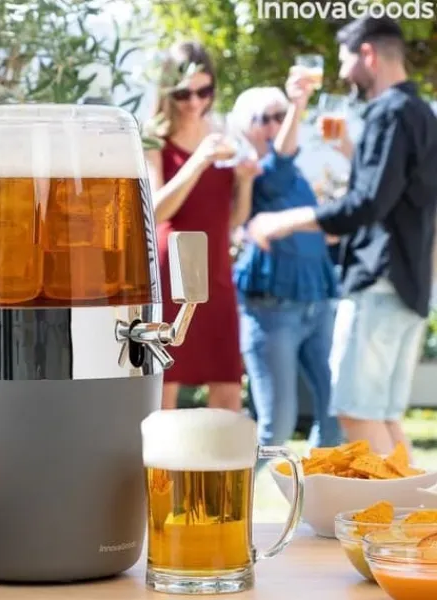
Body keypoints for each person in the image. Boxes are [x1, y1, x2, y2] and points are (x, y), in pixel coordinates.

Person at [246, 17, 437, 455]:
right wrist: (352, 152)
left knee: (355, 413)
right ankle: (413, 501)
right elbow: (395, 199)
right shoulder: (422, 113)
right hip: (408, 285)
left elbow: (366, 204)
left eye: (346, 60)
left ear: (368, 54)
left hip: (379, 282)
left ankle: (391, 503)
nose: (344, 73)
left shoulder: (390, 112)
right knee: (382, 416)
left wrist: (285, 220)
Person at [145, 41, 259, 411]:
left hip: (216, 271)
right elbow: (155, 210)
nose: (194, 102)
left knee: (228, 384)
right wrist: (199, 160)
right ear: (168, 91)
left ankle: (220, 453)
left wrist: (246, 182)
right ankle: (159, 453)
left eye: (204, 91)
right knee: (164, 382)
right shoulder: (155, 138)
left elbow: (234, 219)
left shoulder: (224, 133)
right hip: (171, 270)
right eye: (184, 93)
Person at [231, 85, 342, 450]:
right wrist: (298, 103)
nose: (276, 125)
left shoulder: (298, 176)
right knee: (276, 429)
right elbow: (278, 161)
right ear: (246, 127)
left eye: (281, 116)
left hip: (318, 302)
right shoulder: (252, 173)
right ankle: (234, 487)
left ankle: (313, 489)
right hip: (272, 309)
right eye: (265, 118)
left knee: (336, 416)